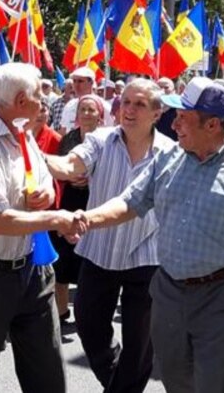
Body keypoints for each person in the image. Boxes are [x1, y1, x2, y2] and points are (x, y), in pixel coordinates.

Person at [73, 77, 224, 392]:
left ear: (213, 124)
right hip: (168, 292)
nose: (175, 124)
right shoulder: (168, 159)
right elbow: (129, 203)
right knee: (175, 378)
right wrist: (85, 219)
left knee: (212, 383)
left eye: (184, 117)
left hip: (221, 294)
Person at [0, 63, 78, 393]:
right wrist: (56, 219)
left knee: (48, 377)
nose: (44, 103)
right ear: (21, 100)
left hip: (33, 271)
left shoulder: (23, 132)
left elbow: (46, 180)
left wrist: (46, 195)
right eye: (40, 96)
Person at [45, 79, 173, 393]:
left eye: (139, 104)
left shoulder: (170, 154)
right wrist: (30, 156)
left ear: (157, 113)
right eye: (125, 102)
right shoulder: (101, 140)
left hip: (146, 257)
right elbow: (70, 164)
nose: (129, 110)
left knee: (140, 343)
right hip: (99, 253)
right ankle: (119, 384)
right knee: (89, 326)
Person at [51, 94, 106, 324]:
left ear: (100, 116)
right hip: (70, 200)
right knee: (62, 258)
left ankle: (91, 312)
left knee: (90, 259)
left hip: (95, 202)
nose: (86, 114)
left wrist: (91, 179)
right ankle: (61, 311)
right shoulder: (69, 139)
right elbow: (61, 165)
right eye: (82, 109)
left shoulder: (107, 140)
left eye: (91, 110)